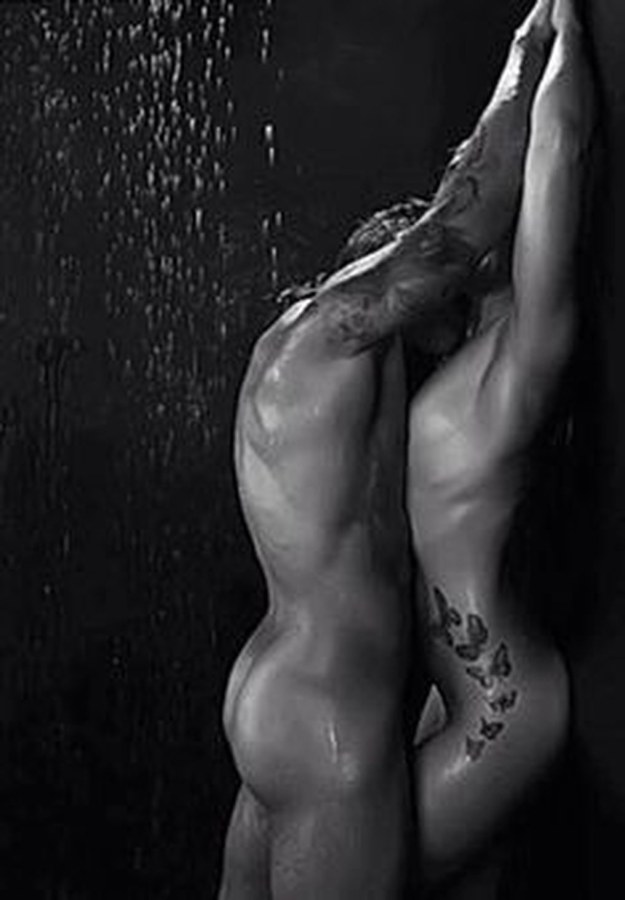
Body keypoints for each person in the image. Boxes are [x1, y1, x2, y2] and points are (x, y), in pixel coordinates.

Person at [219, 0, 594, 896]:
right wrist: (531, 46)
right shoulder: (324, 338)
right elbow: (464, 216)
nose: (448, 315)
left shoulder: (345, 381)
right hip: (326, 721)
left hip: (285, 695)